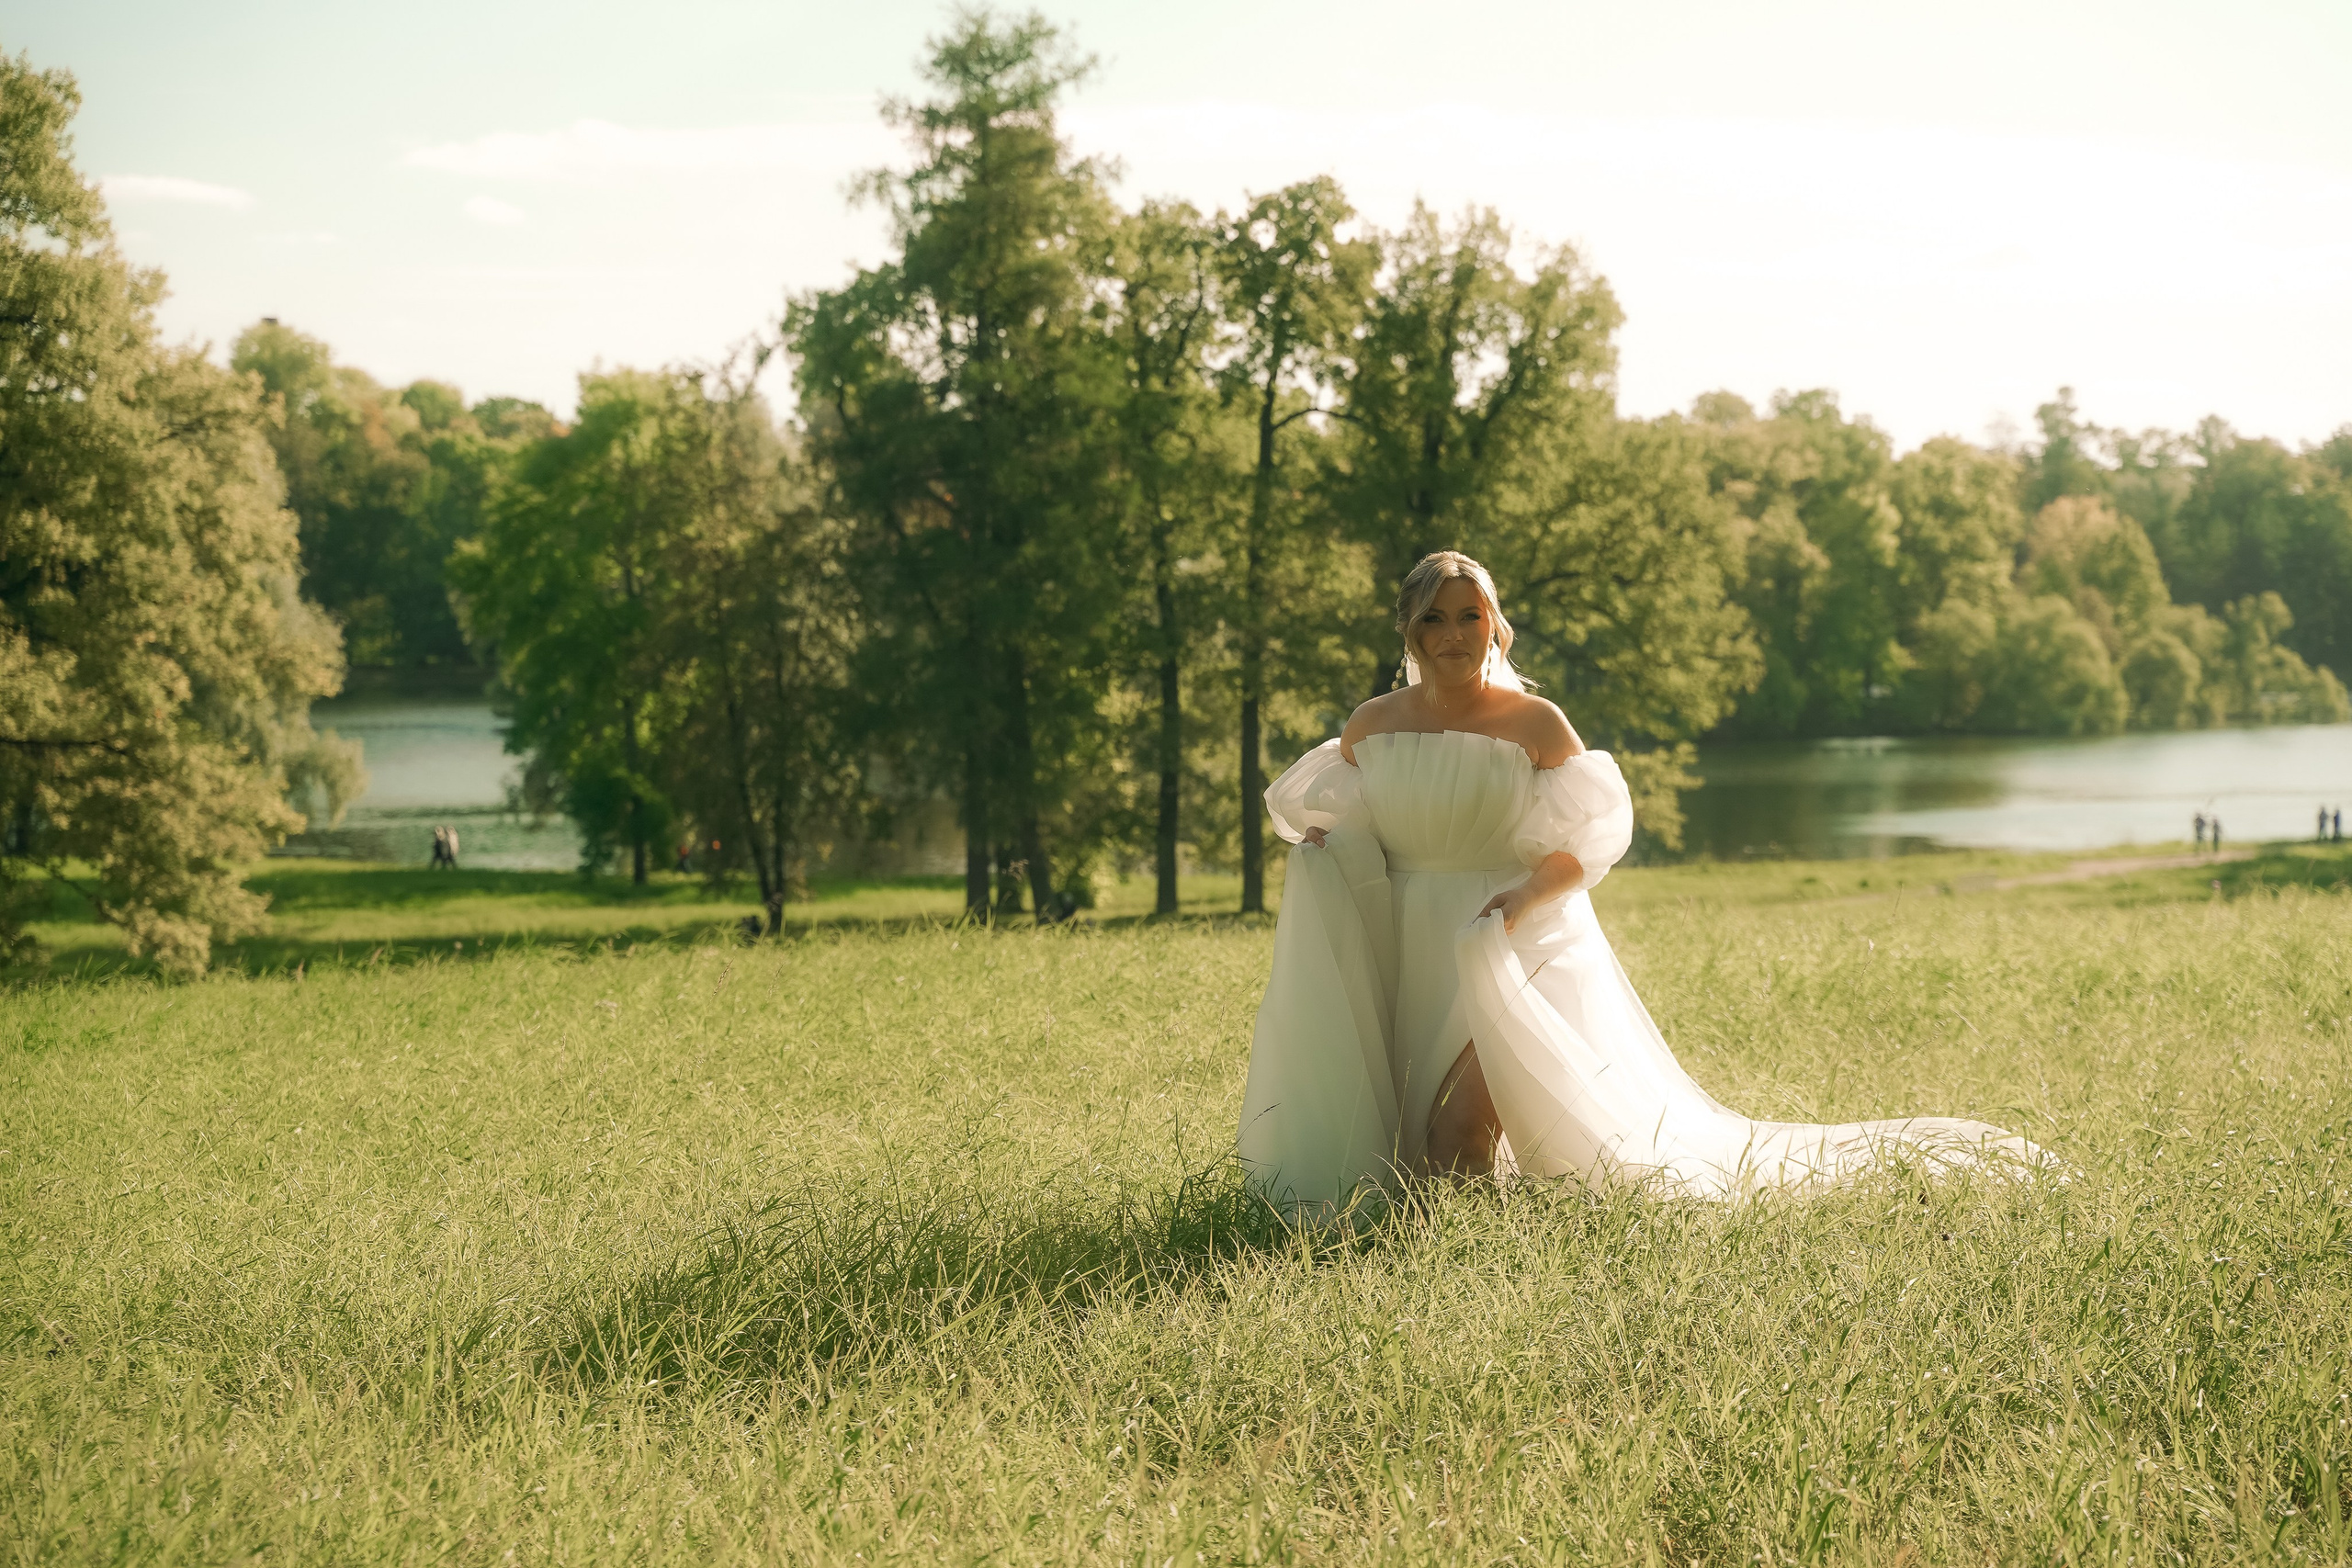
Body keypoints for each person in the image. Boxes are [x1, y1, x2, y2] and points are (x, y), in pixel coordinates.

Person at [1237, 550, 2041, 1211]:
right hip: (1403, 943)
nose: (1455, 634)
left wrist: (1522, 898)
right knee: (1411, 1148)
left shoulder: (1536, 725)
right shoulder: (1373, 725)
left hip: (1507, 935)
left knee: (1458, 1139)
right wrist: (1323, 843)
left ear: (1496, 624)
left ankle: (1480, 1278)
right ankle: (1427, 1253)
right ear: (1410, 631)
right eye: (1435, 618)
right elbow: (1350, 822)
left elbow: (1588, 838)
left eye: (1469, 615)